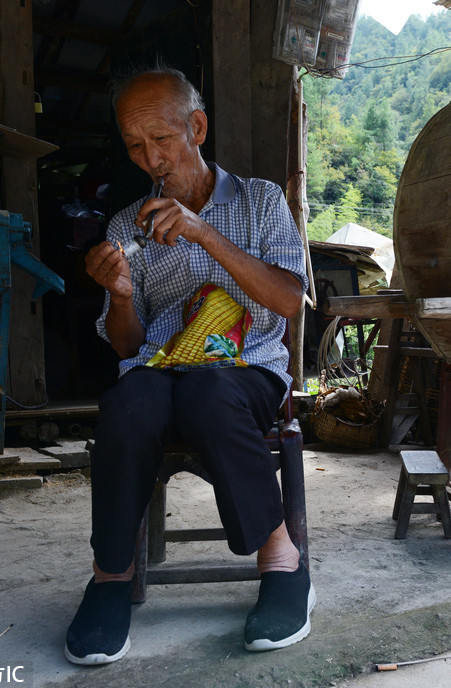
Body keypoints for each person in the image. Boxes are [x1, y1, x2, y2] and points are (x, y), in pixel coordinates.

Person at [65, 66, 311, 665]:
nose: (149, 157)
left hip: (245, 369)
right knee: (128, 401)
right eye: (134, 146)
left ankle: (281, 559)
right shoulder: (129, 224)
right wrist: (121, 294)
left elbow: (287, 299)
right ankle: (109, 576)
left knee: (210, 397)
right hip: (160, 369)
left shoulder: (260, 200)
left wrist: (205, 235)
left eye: (162, 139)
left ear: (197, 127)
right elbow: (128, 348)